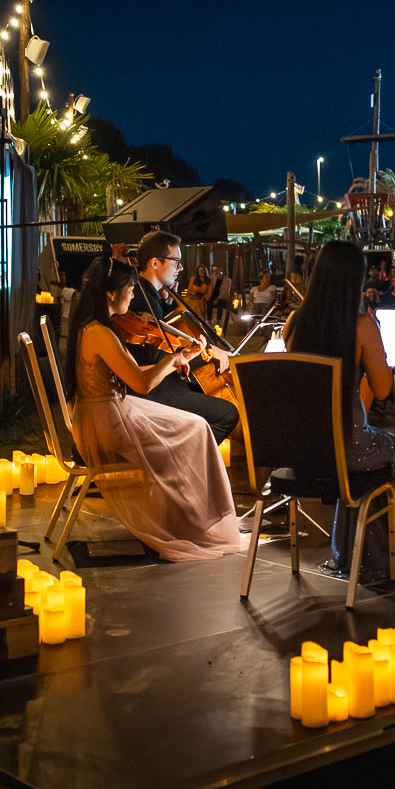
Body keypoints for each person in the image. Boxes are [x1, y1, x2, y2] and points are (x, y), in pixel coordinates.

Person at [61, 258, 246, 561]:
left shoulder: (93, 328)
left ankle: (190, 516)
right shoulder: (100, 333)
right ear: (111, 293)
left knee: (194, 427)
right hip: (107, 423)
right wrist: (173, 360)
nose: (133, 296)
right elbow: (142, 383)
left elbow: (129, 372)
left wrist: (178, 358)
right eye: (130, 289)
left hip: (102, 415)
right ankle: (191, 521)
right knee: (196, 429)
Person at [284, 241, 395, 581]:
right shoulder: (360, 326)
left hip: (302, 450)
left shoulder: (295, 324)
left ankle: (355, 550)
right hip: (347, 451)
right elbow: (384, 388)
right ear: (356, 280)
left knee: (377, 453)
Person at [123, 232, 238, 443]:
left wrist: (167, 302)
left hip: (165, 382)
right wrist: (209, 353)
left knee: (209, 394)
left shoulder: (151, 295)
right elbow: (155, 354)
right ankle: (180, 457)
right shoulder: (140, 298)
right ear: (155, 263)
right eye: (176, 261)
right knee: (227, 414)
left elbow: (167, 332)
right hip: (153, 390)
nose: (181, 268)